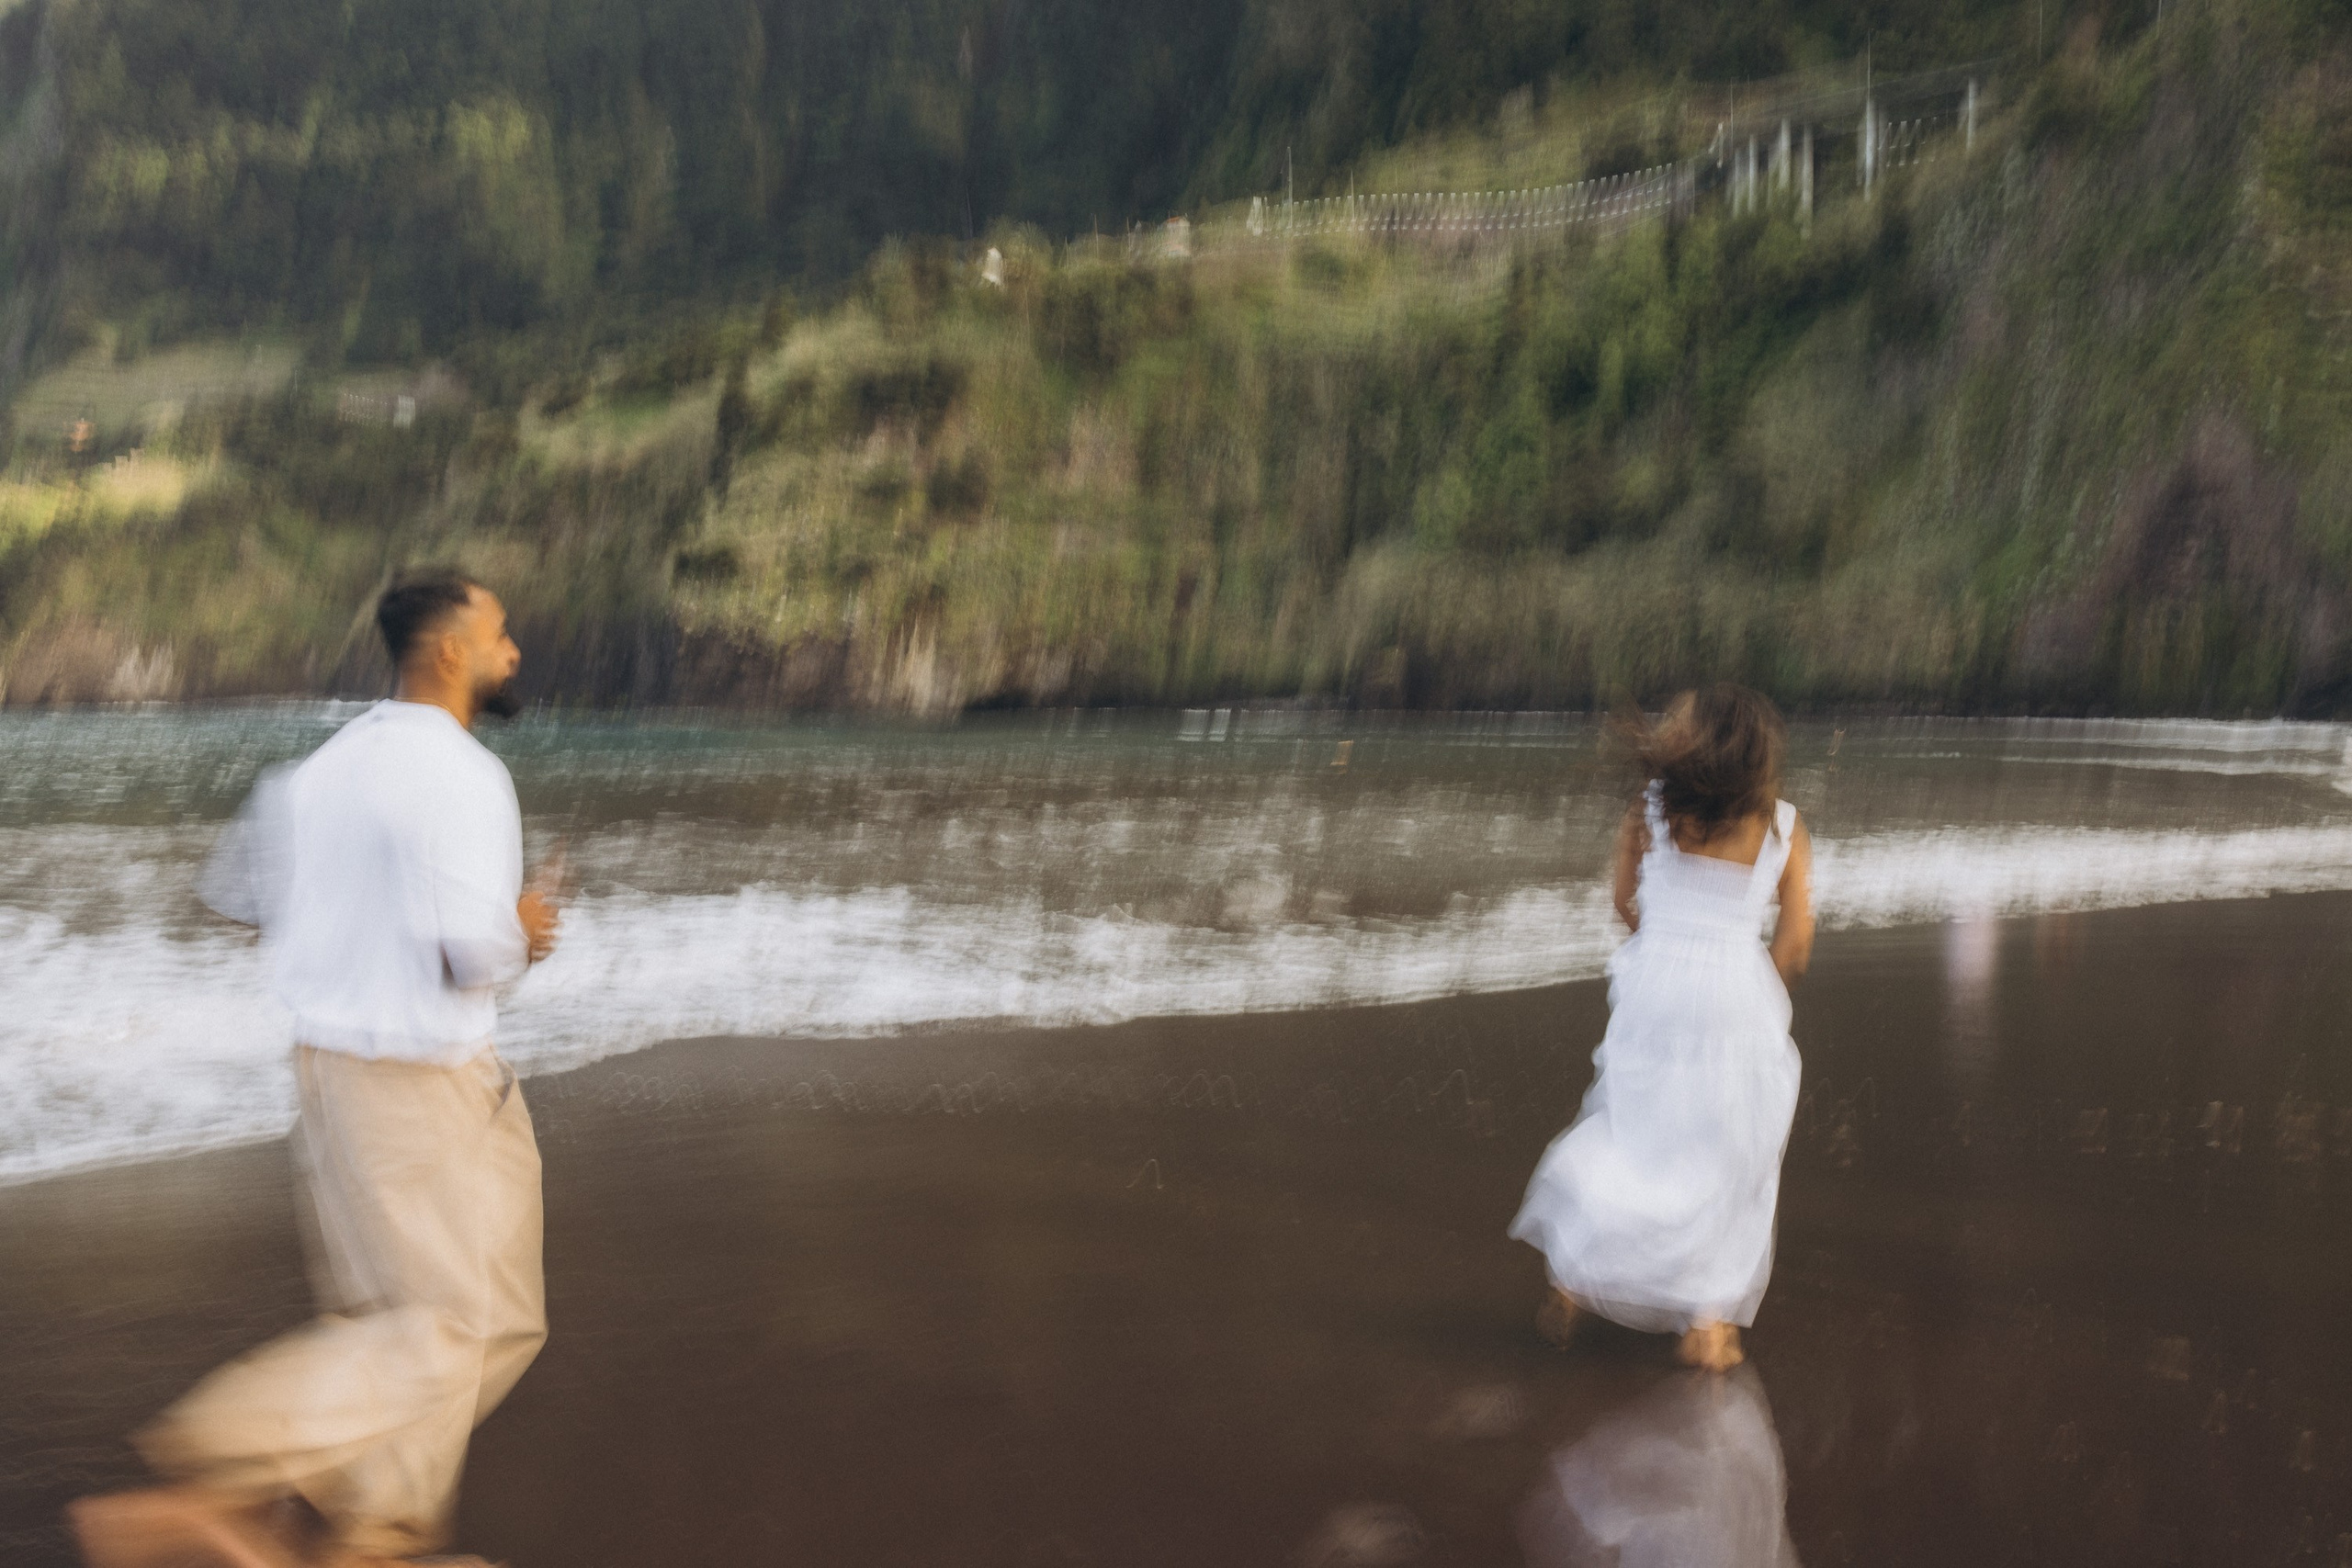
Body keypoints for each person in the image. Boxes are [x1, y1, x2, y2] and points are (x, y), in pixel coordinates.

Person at [70, 570, 561, 1568]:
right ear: (450, 651)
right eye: (500, 633)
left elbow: (235, 900)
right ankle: (214, 1471)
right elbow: (472, 957)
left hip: (336, 1078)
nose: (513, 651)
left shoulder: (320, 768)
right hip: (416, 1083)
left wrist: (344, 923)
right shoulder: (464, 774)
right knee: (442, 1331)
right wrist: (525, 926)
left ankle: (372, 1537)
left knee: (484, 1321)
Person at [1509, 684, 1814, 1372]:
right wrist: (1757, 990)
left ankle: (1576, 1279)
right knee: (1727, 1149)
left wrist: (1667, 949)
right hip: (1736, 993)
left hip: (1655, 987)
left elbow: (1624, 902)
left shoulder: (1649, 809)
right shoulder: (1783, 829)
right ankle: (1706, 1323)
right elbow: (1795, 944)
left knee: (1636, 1131)